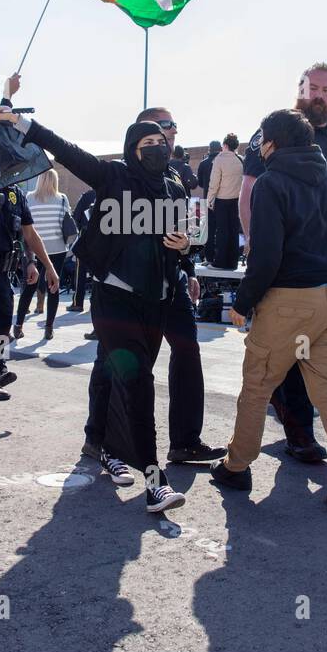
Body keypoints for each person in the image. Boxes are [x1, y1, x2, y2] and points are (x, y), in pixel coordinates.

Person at [0, 104, 195, 514]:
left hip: (155, 300)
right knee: (138, 384)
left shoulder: (173, 188)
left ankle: (109, 448)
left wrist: (186, 250)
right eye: (147, 143)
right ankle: (156, 481)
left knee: (122, 377)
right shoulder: (114, 177)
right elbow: (65, 150)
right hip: (113, 299)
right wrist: (20, 122)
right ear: (132, 148)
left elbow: (183, 240)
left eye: (161, 142)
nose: (157, 148)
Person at [211, 109, 327, 509]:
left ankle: (237, 466)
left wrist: (243, 302)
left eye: (264, 140)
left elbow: (266, 256)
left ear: (273, 142)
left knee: (258, 384)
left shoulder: (271, 183)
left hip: (289, 302)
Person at [240, 63, 327, 463]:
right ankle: (300, 429)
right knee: (294, 340)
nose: (318, 96)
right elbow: (249, 191)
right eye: (312, 88)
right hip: (288, 263)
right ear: (299, 89)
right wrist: (256, 245)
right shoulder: (275, 133)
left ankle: (288, 394)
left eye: (326, 90)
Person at [81, 105, 221, 469]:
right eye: (160, 129)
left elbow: (187, 232)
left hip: (169, 283)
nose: (169, 133)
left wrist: (188, 261)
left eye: (171, 128)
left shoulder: (175, 180)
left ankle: (186, 442)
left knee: (188, 351)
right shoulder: (121, 177)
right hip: (124, 289)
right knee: (113, 362)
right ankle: (98, 438)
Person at [0, 176, 55, 402]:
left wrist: (42, 264)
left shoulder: (16, 195)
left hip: (3, 274)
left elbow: (29, 234)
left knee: (2, 331)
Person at [13, 169, 70, 340]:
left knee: (29, 287)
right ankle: (49, 328)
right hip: (58, 248)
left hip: (34, 248)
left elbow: (25, 226)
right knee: (54, 287)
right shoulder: (62, 199)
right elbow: (65, 221)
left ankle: (18, 325)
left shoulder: (28, 197)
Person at [206, 133, 244, 269]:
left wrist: (210, 200)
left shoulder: (219, 159)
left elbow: (214, 183)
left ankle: (220, 262)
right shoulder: (241, 160)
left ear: (225, 145)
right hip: (237, 201)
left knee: (222, 232)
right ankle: (232, 262)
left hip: (222, 201)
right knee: (234, 231)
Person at [67, 188, 96, 311]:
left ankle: (78, 302)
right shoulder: (112, 192)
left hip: (86, 236)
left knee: (81, 271)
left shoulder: (87, 195)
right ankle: (95, 302)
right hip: (104, 238)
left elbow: (76, 217)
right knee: (98, 271)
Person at [196, 141, 221, 263]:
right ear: (220, 148)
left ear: (209, 150)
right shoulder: (224, 162)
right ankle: (221, 257)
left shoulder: (203, 163)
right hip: (223, 200)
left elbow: (199, 183)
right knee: (223, 229)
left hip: (207, 200)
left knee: (208, 231)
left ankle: (209, 258)